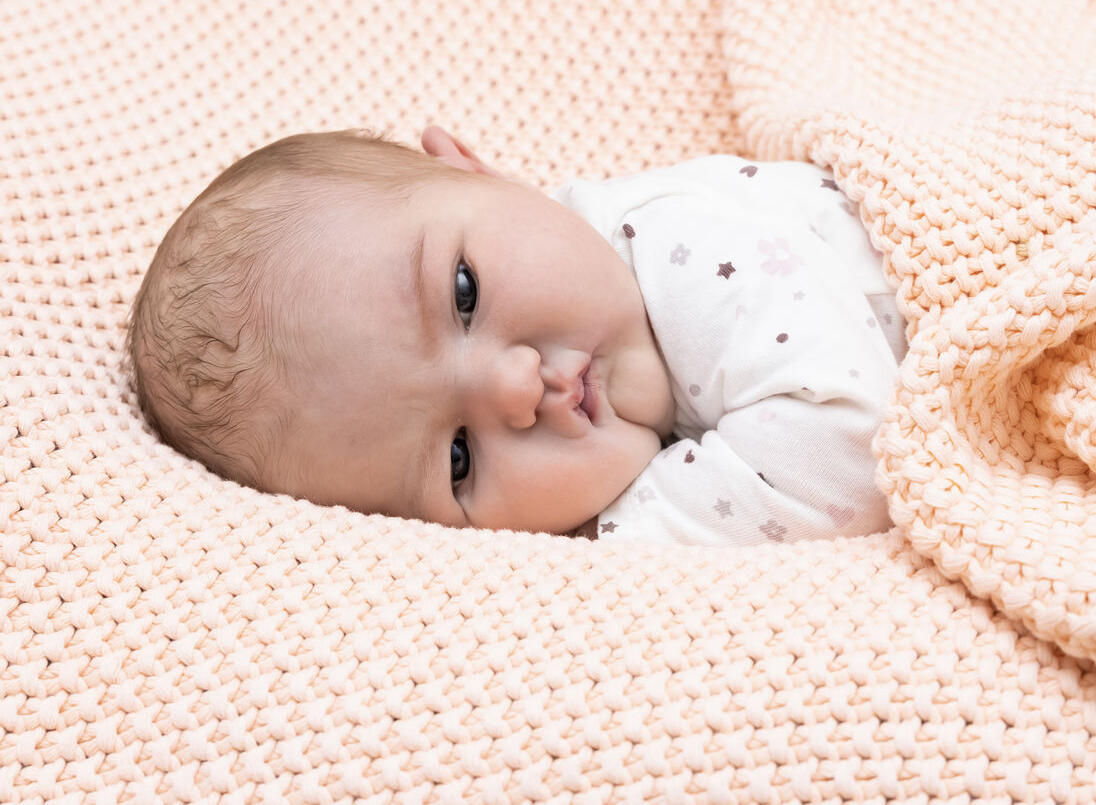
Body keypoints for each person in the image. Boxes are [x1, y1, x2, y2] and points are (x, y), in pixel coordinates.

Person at [127, 126, 906, 545]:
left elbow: (852, 452)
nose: (515, 387)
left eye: (464, 294)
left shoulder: (683, 249)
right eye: (458, 459)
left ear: (476, 170)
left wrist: (613, 540)